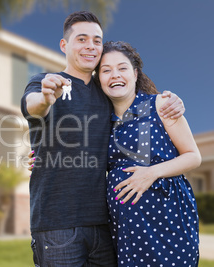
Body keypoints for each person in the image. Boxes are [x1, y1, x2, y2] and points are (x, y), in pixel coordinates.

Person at [21, 11, 185, 266]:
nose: (91, 46)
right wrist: (45, 97)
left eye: (97, 40)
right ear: (64, 45)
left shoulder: (106, 93)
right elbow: (33, 107)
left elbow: (135, 105)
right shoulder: (44, 83)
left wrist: (173, 100)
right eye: (82, 39)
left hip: (105, 224)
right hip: (57, 225)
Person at [94, 41, 200, 266]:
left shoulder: (161, 104)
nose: (115, 75)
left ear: (134, 73)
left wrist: (152, 173)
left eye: (122, 68)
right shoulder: (101, 122)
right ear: (99, 79)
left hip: (168, 222)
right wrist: (42, 159)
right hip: (126, 230)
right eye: (106, 70)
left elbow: (193, 155)